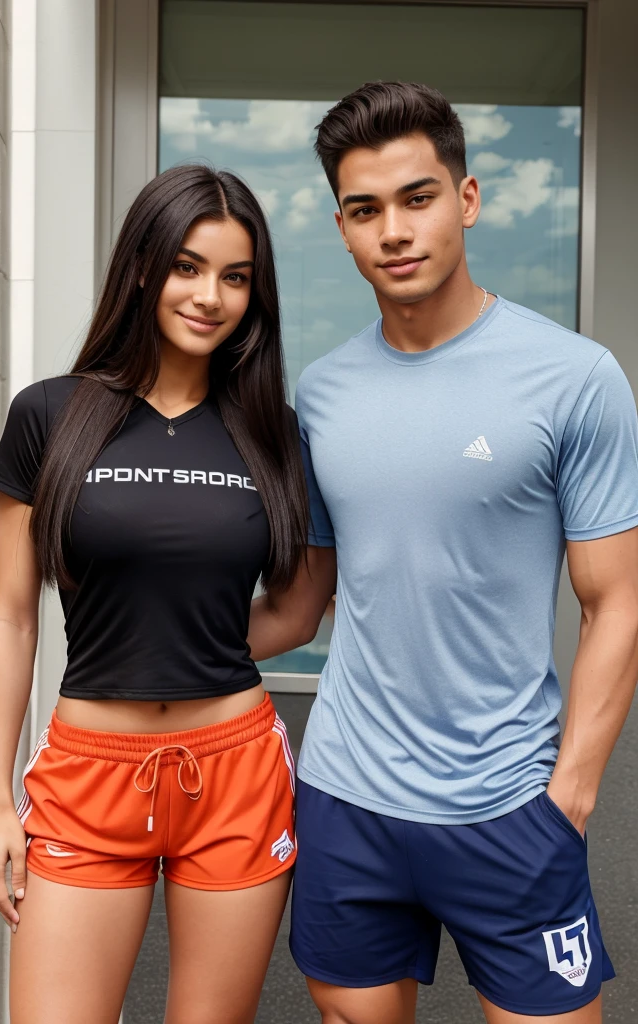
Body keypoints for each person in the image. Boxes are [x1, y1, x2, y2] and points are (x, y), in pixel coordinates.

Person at [248, 82, 638, 1023]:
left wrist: (570, 796)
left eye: (418, 198)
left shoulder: (574, 379)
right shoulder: (326, 394)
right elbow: (304, 604)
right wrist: (136, 646)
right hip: (347, 794)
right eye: (365, 209)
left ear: (466, 199)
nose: (394, 230)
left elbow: (614, 602)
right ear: (341, 228)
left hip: (509, 800)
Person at [0, 164, 306, 1024]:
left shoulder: (272, 430)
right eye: (188, 267)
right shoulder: (50, 415)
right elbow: (12, 618)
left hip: (233, 769)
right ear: (142, 268)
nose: (211, 296)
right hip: (87, 778)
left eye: (236, 277)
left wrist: (190, 646)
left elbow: (300, 610)